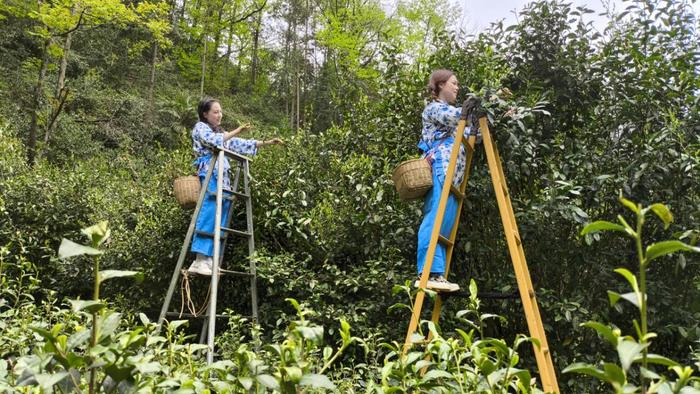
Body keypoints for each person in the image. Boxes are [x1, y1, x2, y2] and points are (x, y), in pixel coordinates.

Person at [187, 97, 282, 275]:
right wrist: (237, 130)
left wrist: (266, 143)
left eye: (220, 111)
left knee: (221, 216)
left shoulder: (221, 133)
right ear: (205, 114)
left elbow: (239, 144)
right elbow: (213, 140)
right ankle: (200, 258)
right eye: (215, 112)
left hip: (223, 177)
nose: (219, 115)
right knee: (209, 211)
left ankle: (211, 259)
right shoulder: (200, 128)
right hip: (209, 173)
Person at [415, 69, 473, 292]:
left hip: (454, 175)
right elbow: (455, 117)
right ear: (440, 85)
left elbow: (469, 133)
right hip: (441, 166)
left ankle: (436, 273)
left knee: (445, 224)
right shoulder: (434, 108)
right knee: (435, 217)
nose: (457, 87)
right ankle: (426, 271)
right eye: (453, 83)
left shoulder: (454, 114)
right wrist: (468, 111)